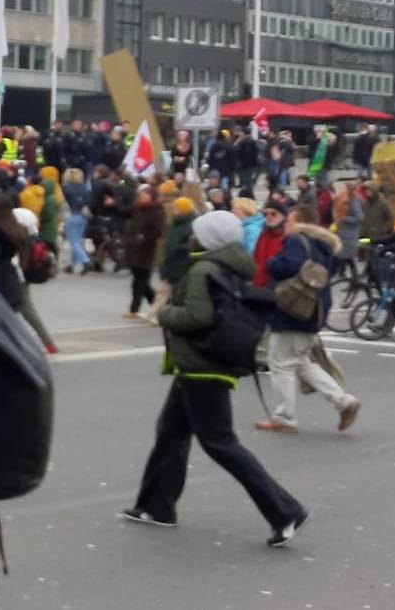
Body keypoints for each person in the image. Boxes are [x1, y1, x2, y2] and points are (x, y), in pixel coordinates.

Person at [124, 210, 310, 546]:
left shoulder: (204, 268)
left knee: (220, 443)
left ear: (208, 238)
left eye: (198, 232)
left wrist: (165, 313)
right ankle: (156, 506)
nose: (193, 237)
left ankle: (285, 511)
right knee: (170, 433)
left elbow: (197, 316)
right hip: (201, 364)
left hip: (202, 366)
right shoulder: (228, 265)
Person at [253, 204, 361, 434]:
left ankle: (285, 417)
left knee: (280, 363)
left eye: (290, 221)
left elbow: (290, 266)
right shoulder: (323, 245)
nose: (286, 225)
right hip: (314, 310)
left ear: (300, 223)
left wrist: (272, 262)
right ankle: (343, 401)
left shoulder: (296, 241)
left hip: (293, 309)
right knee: (301, 362)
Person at [123, 189, 166, 319]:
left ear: (152, 197)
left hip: (146, 250)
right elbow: (123, 212)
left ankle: (134, 308)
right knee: (142, 282)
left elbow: (157, 231)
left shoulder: (157, 211)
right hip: (133, 248)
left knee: (138, 282)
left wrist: (144, 238)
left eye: (145, 195)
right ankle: (156, 304)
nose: (141, 197)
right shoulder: (137, 208)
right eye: (140, 195)